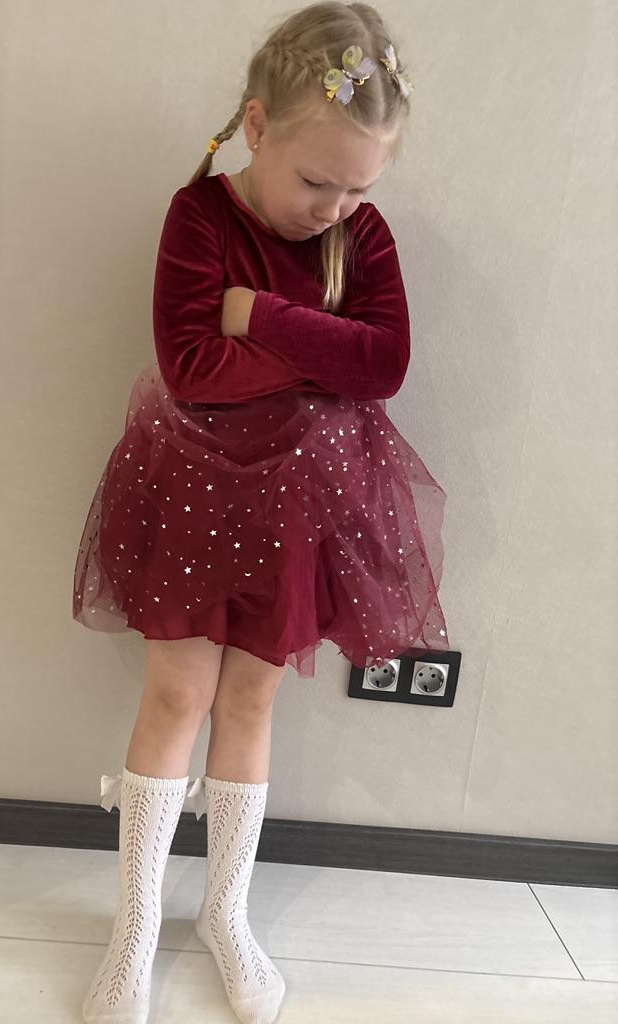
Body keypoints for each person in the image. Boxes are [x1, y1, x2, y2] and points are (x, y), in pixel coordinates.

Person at [73, 3, 448, 1022]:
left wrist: (260, 315)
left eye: (358, 188)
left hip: (298, 512)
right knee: (175, 698)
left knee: (251, 703)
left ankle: (224, 911)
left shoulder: (360, 234)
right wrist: (319, 352)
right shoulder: (199, 217)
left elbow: (385, 365)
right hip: (191, 494)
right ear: (255, 127)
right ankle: (136, 923)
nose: (334, 208)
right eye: (316, 181)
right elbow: (194, 369)